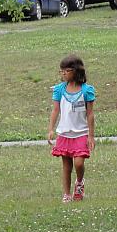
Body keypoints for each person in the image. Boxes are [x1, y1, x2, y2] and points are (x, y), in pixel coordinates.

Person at [47, 54, 96, 203]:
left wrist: (91, 136)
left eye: (66, 71)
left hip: (81, 133)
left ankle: (79, 183)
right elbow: (55, 110)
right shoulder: (59, 90)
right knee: (66, 166)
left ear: (76, 71)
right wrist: (51, 129)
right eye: (61, 71)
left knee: (79, 163)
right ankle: (67, 194)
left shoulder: (87, 90)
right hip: (64, 133)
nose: (63, 74)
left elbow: (90, 114)